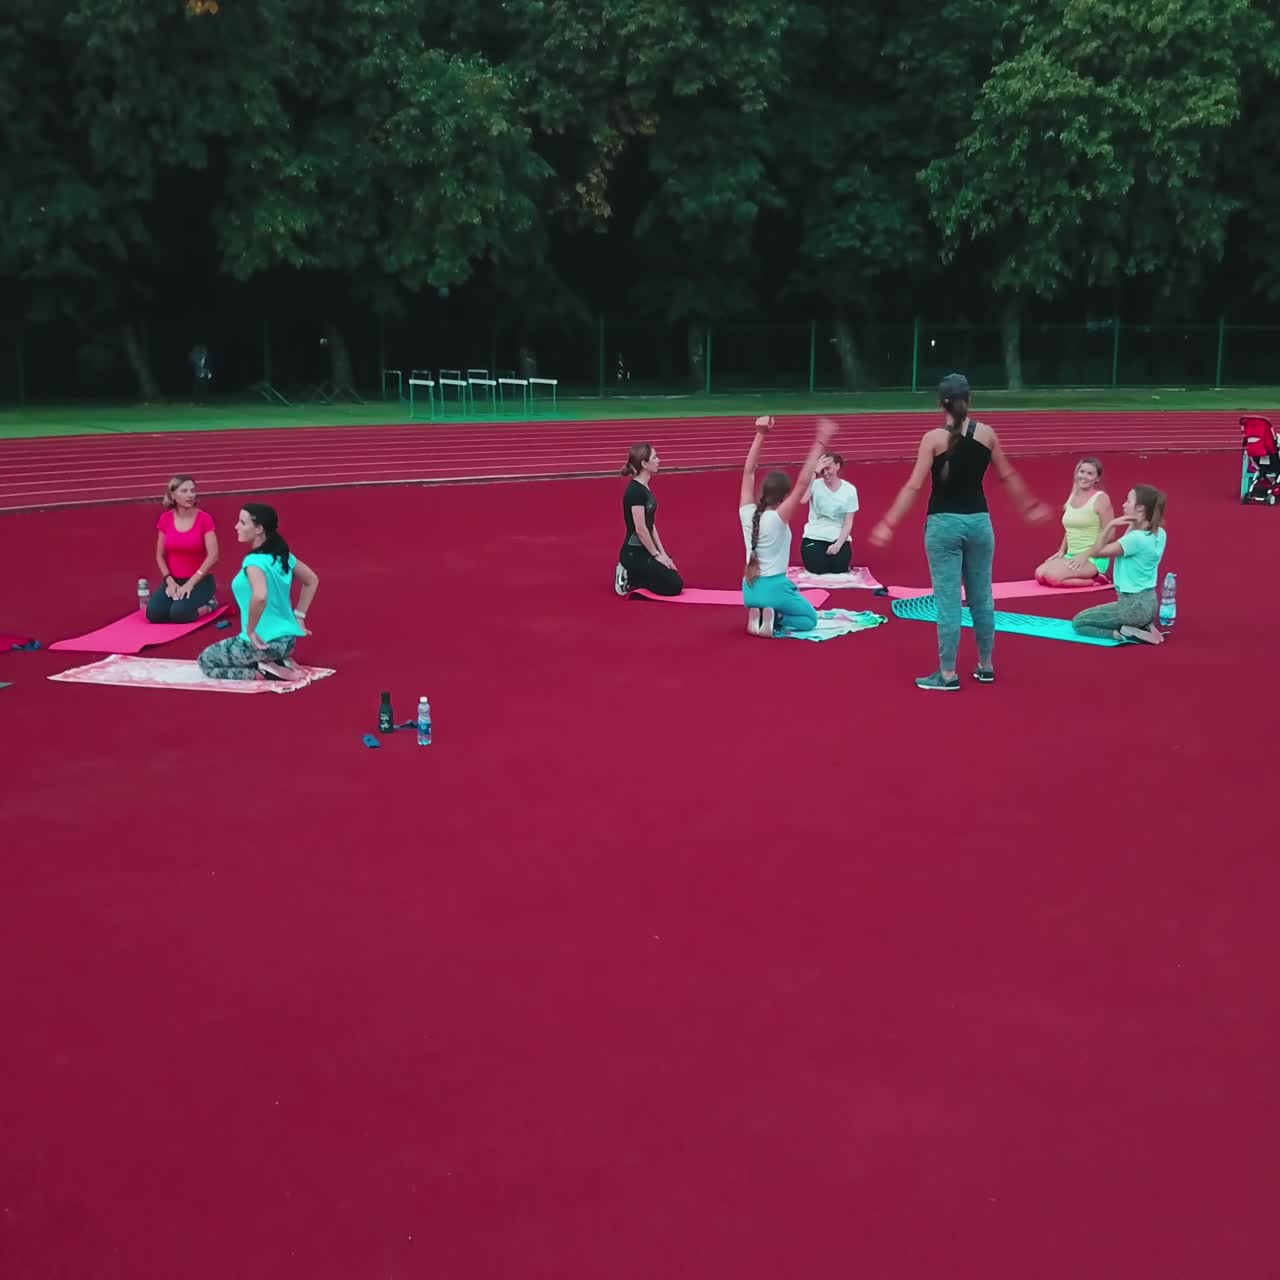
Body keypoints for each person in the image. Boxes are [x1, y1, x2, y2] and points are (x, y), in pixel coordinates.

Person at [869, 373, 1048, 690]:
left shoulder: (933, 439)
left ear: (941, 404)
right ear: (970, 399)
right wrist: (1029, 504)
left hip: (943, 525)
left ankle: (948, 673)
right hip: (979, 522)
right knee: (982, 597)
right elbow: (1007, 475)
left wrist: (889, 522)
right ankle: (986, 665)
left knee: (949, 601)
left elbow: (914, 485)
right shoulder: (987, 435)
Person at [740, 415, 838, 637]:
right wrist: (821, 441)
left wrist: (760, 434)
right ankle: (776, 616)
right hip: (774, 588)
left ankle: (760, 612)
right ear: (784, 496)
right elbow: (803, 482)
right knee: (809, 619)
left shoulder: (747, 513)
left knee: (783, 598)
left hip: (749, 589)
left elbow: (748, 471)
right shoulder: (778, 518)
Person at [197, 503, 319, 681]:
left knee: (205, 661)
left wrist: (251, 630)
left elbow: (260, 596)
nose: (236, 527)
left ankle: (260, 673)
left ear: (259, 529)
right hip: (287, 642)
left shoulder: (254, 562)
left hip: (261, 644)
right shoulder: (282, 555)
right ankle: (276, 662)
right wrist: (299, 616)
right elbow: (312, 580)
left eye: (242, 523)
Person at [1071, 485, 1168, 644]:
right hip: (1150, 604)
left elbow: (1098, 551)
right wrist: (1132, 522)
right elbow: (1128, 541)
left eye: (1128, 501)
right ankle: (1144, 625)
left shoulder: (1136, 539)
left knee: (1079, 622)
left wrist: (1111, 525)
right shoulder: (1160, 533)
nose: (1124, 504)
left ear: (1140, 508)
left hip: (1132, 607)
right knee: (1117, 613)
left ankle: (1123, 633)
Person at [147, 474, 220, 623]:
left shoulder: (204, 519)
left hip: (200, 581)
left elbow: (213, 555)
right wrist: (169, 581)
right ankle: (178, 599)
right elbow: (160, 555)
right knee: (154, 614)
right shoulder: (165, 519)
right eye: (184, 491)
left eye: (192, 491)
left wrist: (190, 584)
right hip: (174, 580)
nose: (190, 495)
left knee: (179, 614)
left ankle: (209, 605)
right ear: (173, 495)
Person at [614, 443, 683, 597]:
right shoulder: (635, 492)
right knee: (674, 586)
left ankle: (639, 576)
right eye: (654, 457)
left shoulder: (645, 488)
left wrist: (663, 553)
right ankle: (629, 575)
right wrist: (656, 556)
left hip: (645, 550)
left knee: (673, 576)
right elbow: (640, 529)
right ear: (644, 464)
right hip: (633, 553)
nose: (659, 460)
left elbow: (651, 525)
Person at [1034, 457, 1115, 586]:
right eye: (1082, 472)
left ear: (1097, 478)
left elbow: (1110, 535)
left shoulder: (1101, 499)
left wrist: (1085, 555)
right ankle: (1080, 571)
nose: (1084, 476)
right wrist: (1062, 550)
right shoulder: (1073, 496)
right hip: (1071, 555)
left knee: (1053, 579)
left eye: (1090, 473)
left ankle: (1096, 580)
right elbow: (1070, 528)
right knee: (1040, 574)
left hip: (1094, 557)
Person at [800, 453, 859, 574]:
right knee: (818, 569)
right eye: (822, 470)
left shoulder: (850, 490)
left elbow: (848, 522)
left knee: (839, 569)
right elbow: (803, 500)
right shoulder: (815, 485)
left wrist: (838, 544)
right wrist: (814, 474)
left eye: (828, 468)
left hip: (838, 537)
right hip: (815, 535)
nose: (825, 473)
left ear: (837, 466)